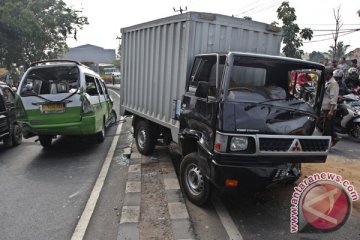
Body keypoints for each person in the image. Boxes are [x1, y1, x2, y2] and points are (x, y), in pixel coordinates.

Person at [321, 67, 340, 146]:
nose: (324, 76)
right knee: (329, 126)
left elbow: (333, 98)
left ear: (329, 74)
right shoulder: (327, 82)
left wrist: (331, 111)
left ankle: (324, 144)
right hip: (325, 108)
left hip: (329, 109)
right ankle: (334, 138)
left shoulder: (333, 84)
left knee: (326, 128)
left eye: (325, 74)